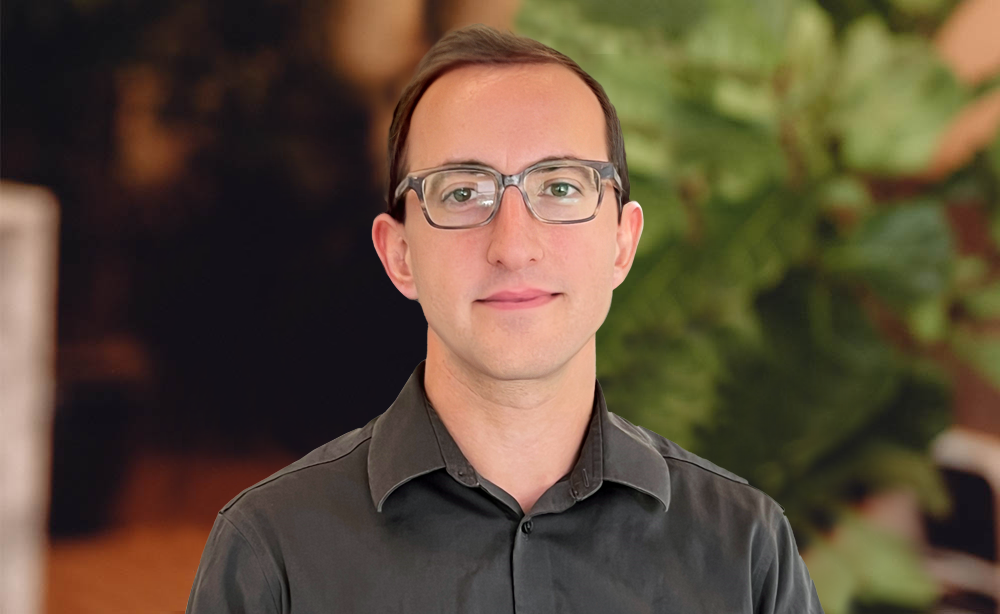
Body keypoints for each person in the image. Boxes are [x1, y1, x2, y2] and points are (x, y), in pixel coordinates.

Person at [186, 24, 825, 613]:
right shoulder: (273, 552)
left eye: (561, 186)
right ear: (399, 254)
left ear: (623, 244)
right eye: (463, 193)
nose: (514, 245)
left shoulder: (746, 550)